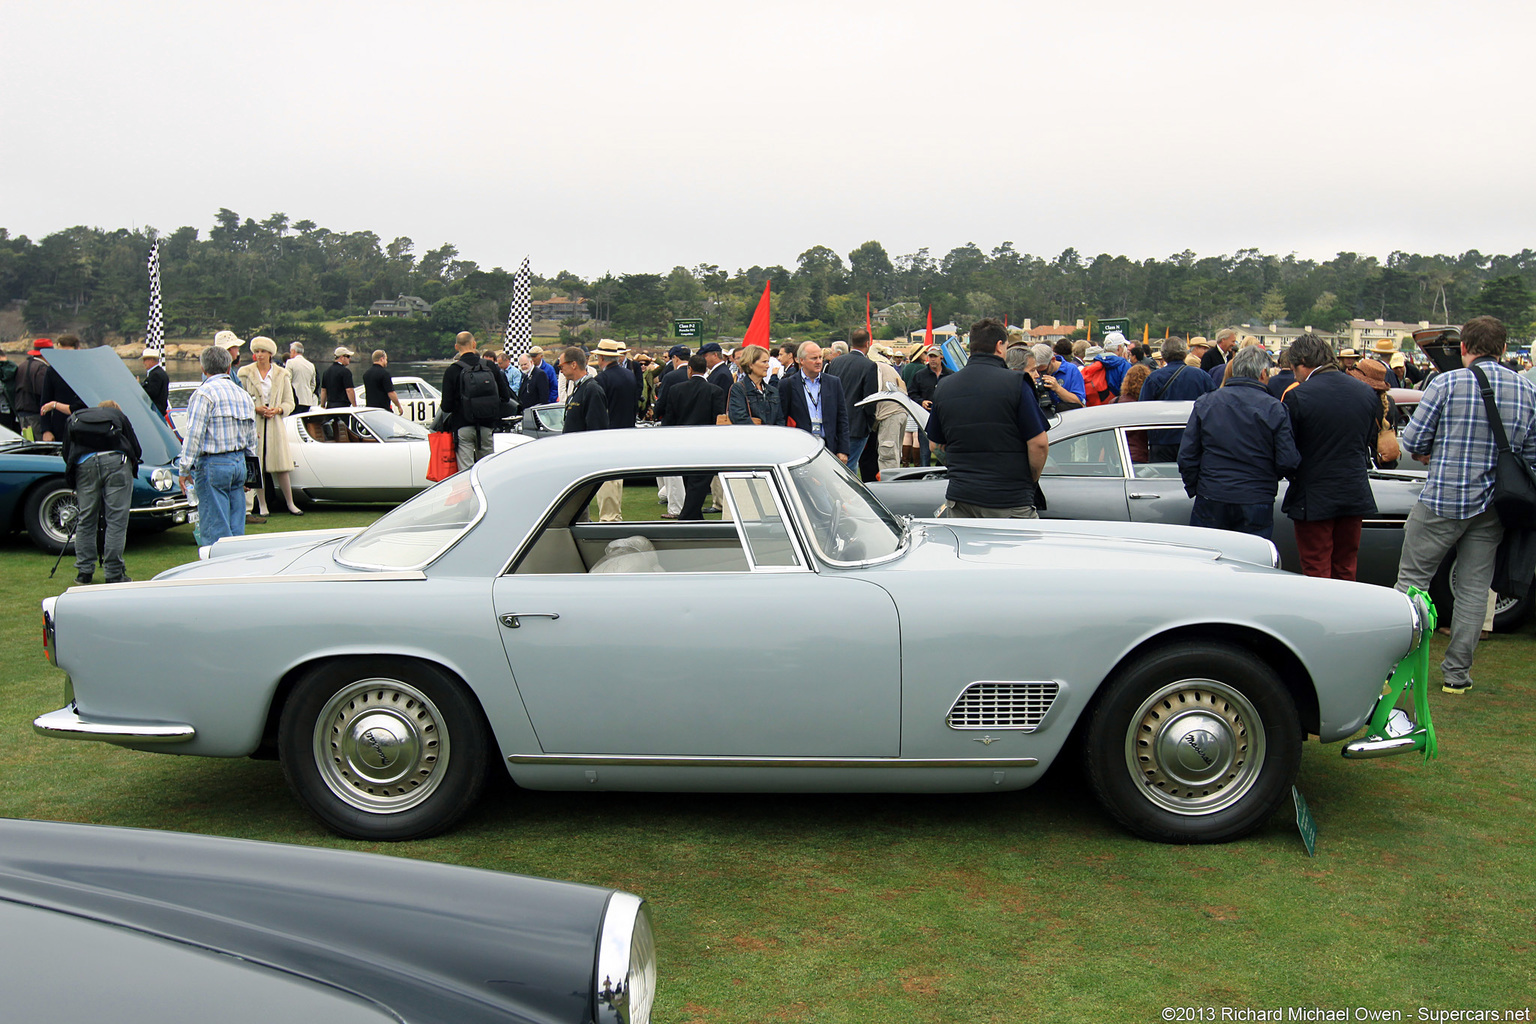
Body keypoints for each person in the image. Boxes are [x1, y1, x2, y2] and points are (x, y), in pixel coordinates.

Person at [1394, 316, 1536, 694]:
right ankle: (1456, 675)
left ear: (1463, 348)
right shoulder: (1526, 390)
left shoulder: (1447, 382)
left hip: (1443, 497)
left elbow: (1413, 439)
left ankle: (1396, 668)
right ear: (1504, 348)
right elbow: (1532, 455)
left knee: (1410, 584)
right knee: (1474, 590)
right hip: (1493, 505)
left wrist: (1431, 452)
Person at [1281, 333, 1381, 581]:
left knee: (1316, 565)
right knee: (1346, 563)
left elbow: (1289, 447)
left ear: (1303, 361)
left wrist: (1291, 474)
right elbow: (1368, 437)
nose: (1295, 375)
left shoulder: (1298, 396)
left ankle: (1322, 617)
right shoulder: (1366, 393)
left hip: (1313, 493)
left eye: (1294, 369)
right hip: (1353, 488)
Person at [926, 319, 1050, 518]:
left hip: (961, 497)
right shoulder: (1016, 383)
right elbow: (1039, 443)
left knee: (964, 549)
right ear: (1000, 346)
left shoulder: (945, 386)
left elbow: (935, 445)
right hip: (1009, 498)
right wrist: (1031, 479)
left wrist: (961, 471)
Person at [1177, 347, 1299, 539]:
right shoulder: (1274, 408)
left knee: (1209, 557)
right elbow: (1287, 460)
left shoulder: (1206, 402)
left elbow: (1187, 455)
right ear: (1263, 373)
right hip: (1255, 495)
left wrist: (1197, 487)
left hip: (1213, 492)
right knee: (1251, 560)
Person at [177, 344, 257, 546]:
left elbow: (194, 435)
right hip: (239, 463)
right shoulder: (243, 395)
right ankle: (236, 570)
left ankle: (215, 572)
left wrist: (184, 468)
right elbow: (251, 439)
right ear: (229, 368)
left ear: (203, 369)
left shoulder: (204, 394)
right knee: (236, 528)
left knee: (215, 530)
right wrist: (251, 473)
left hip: (213, 464)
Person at [63, 399, 142, 585]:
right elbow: (136, 449)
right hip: (116, 464)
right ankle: (114, 573)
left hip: (85, 465)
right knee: (116, 520)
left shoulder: (77, 419)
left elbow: (67, 451)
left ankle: (84, 572)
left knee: (86, 518)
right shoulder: (119, 417)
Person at [238, 336, 302, 516]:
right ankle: (262, 505)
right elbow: (241, 400)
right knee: (256, 465)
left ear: (270, 354)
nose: (259, 355)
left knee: (281, 465)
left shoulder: (282, 374)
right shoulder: (245, 373)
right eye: (256, 352)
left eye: (262, 352)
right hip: (255, 424)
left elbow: (290, 402)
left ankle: (290, 503)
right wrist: (255, 409)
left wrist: (278, 409)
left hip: (275, 424)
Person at [659, 353, 725, 520]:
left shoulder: (676, 390)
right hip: (706, 444)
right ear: (706, 370)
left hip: (682, 443)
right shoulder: (715, 391)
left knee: (691, 482)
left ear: (689, 369)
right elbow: (718, 419)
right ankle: (691, 516)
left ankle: (688, 516)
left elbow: (669, 419)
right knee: (697, 483)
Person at [441, 331, 509, 470]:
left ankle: (469, 491)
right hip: (487, 424)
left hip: (463, 425)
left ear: (456, 347)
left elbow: (446, 406)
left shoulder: (452, 371)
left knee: (466, 472)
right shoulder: (490, 367)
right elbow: (505, 397)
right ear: (474, 344)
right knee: (487, 469)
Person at [1140, 337, 1216, 461]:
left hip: (1162, 440)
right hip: (1193, 438)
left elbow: (1143, 409)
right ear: (1184, 353)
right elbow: (1214, 406)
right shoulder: (1201, 376)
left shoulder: (1154, 378)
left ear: (1163, 355)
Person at [777, 341, 849, 463]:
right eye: (814, 358)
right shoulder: (788, 384)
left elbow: (842, 417)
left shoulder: (833, 383)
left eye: (820, 357)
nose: (819, 361)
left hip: (828, 445)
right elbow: (782, 418)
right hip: (800, 447)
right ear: (801, 360)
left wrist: (843, 449)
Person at [593, 339, 637, 521]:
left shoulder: (602, 379)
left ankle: (610, 516)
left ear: (601, 357)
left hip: (609, 431)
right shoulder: (629, 375)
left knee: (607, 478)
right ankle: (614, 512)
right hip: (626, 429)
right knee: (617, 477)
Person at [825, 329, 879, 474]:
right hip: (857, 425)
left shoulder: (836, 362)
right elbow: (870, 400)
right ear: (868, 344)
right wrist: (870, 423)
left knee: (836, 465)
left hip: (835, 423)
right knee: (850, 466)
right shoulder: (869, 366)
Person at [38, 334, 86, 441]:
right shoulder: (52, 371)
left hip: (83, 424)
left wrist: (55, 405)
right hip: (60, 426)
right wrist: (46, 430)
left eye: (67, 352)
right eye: (60, 352)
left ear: (77, 350)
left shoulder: (85, 370)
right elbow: (45, 400)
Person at [907, 346, 947, 466]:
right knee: (924, 452)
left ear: (941, 357)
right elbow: (911, 393)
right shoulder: (920, 375)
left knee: (943, 450)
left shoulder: (950, 375)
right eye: (930, 356)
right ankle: (925, 474)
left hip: (943, 419)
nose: (933, 359)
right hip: (925, 418)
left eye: (935, 356)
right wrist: (921, 402)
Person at [869, 344, 906, 472]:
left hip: (889, 414)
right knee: (895, 452)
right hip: (900, 411)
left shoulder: (877, 368)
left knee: (887, 455)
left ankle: (889, 488)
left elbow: (875, 394)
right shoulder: (891, 368)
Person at [728, 346, 783, 425]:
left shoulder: (772, 391)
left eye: (768, 362)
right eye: (764, 362)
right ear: (750, 364)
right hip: (750, 435)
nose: (768, 366)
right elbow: (739, 418)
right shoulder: (738, 389)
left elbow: (780, 419)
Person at [558, 346, 608, 432]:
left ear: (573, 365)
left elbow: (596, 428)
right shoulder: (577, 389)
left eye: (561, 367)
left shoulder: (592, 390)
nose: (561, 371)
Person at [15, 341, 50, 437]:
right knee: (39, 444)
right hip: (35, 413)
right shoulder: (42, 368)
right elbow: (43, 391)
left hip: (21, 411)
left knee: (27, 441)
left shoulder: (22, 365)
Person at [363, 349, 403, 415]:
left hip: (370, 410)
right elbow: (391, 393)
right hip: (383, 410)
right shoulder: (384, 374)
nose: (386, 362)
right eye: (386, 359)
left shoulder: (366, 374)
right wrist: (399, 406)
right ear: (382, 359)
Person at [287, 342, 317, 414]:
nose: (290, 354)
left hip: (295, 399)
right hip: (307, 400)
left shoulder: (290, 362)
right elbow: (313, 384)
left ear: (294, 351)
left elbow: (287, 381)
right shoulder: (311, 365)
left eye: (290, 351)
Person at [140, 347, 170, 418]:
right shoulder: (160, 372)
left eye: (145, 360)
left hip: (156, 410)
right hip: (160, 410)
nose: (143, 363)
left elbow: (151, 392)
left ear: (152, 360)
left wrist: (140, 386)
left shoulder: (155, 374)